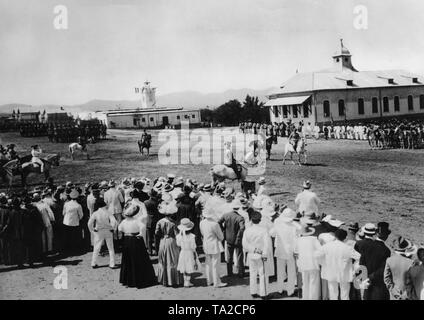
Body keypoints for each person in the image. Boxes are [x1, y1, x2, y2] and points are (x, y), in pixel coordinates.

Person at [314, 229, 361, 300]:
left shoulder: (327, 246)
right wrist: (354, 269)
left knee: (333, 294)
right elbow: (359, 257)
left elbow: (316, 255)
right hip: (344, 273)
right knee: (345, 294)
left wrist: (324, 264)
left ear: (335, 236)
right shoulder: (347, 248)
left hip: (331, 272)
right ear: (345, 238)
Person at [118, 205, 157, 289]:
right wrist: (140, 235)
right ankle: (139, 279)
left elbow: (119, 228)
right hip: (135, 240)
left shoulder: (124, 221)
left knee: (127, 259)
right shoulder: (137, 221)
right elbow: (143, 227)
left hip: (127, 240)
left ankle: (128, 280)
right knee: (138, 259)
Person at [354, 222, 391, 300]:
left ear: (376, 233)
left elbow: (362, 262)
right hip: (378, 285)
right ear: (387, 236)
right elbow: (382, 269)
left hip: (366, 283)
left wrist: (365, 278)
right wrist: (371, 277)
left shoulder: (366, 245)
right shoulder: (386, 250)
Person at [269, 207, 299, 297]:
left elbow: (271, 233)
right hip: (290, 252)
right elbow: (297, 237)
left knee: (280, 271)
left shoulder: (278, 224)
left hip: (280, 251)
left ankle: (280, 289)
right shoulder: (294, 226)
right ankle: (290, 291)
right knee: (291, 272)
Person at [242, 210, 270, 299]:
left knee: (252, 273)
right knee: (262, 274)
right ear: (260, 220)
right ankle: (263, 293)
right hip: (261, 255)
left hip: (251, 254)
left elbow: (244, 244)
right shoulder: (263, 230)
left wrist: (253, 249)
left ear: (251, 220)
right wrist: (264, 254)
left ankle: (253, 291)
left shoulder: (247, 230)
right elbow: (267, 244)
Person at [155, 200, 183, 287]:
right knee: (172, 259)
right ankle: (173, 279)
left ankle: (163, 279)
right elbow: (176, 234)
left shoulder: (159, 222)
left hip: (163, 241)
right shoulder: (173, 223)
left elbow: (156, 233)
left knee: (163, 259)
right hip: (171, 241)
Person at [294, 217, 322, 300]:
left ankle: (305, 297)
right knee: (313, 282)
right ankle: (312, 298)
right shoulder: (314, 239)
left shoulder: (298, 240)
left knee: (305, 282)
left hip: (303, 264)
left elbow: (296, 252)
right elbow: (320, 250)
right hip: (313, 264)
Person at [199, 208, 227, 287]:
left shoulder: (202, 223)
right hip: (214, 244)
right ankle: (216, 282)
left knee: (208, 264)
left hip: (206, 244)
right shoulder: (215, 224)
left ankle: (209, 280)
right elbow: (221, 237)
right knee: (215, 264)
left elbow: (202, 233)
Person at [218, 199, 245, 278]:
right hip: (237, 239)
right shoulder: (240, 218)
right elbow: (242, 228)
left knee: (229, 256)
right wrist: (239, 236)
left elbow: (219, 222)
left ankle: (229, 272)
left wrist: (223, 230)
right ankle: (241, 272)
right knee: (239, 255)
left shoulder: (226, 215)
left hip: (228, 238)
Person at [88, 198, 117, 269]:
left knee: (96, 248)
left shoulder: (95, 213)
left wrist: (92, 230)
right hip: (108, 231)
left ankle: (93, 263)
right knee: (110, 248)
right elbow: (114, 222)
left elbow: (89, 223)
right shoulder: (108, 212)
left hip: (99, 231)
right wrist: (113, 229)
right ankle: (112, 264)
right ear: (104, 205)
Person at [176, 218, 200, 287]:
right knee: (189, 266)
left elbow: (178, 244)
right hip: (189, 252)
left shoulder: (179, 236)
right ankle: (188, 281)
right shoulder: (192, 236)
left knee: (184, 266)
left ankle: (185, 281)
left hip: (183, 252)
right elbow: (193, 246)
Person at [62, 189, 84, 256]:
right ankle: (74, 249)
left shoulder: (66, 204)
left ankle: (67, 249)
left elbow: (63, 213)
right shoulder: (78, 205)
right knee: (74, 237)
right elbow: (81, 215)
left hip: (66, 222)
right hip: (74, 223)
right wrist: (77, 219)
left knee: (67, 236)